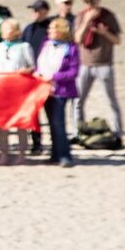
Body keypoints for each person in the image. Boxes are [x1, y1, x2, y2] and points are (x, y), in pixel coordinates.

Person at [74, 0, 123, 140]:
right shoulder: (81, 16)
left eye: (95, 1)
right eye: (89, 2)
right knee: (78, 101)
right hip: (85, 64)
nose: (93, 4)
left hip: (104, 64)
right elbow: (77, 39)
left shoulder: (108, 16)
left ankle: (117, 133)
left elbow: (117, 40)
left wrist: (104, 33)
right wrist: (87, 21)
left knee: (111, 100)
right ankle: (78, 131)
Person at [34, 16, 81, 166]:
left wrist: (53, 76)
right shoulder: (46, 44)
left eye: (53, 29)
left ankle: (65, 155)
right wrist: (38, 73)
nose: (50, 31)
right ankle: (55, 154)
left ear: (61, 30)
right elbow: (40, 63)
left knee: (58, 122)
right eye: (49, 29)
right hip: (44, 89)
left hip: (60, 90)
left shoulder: (71, 48)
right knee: (51, 123)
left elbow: (73, 72)